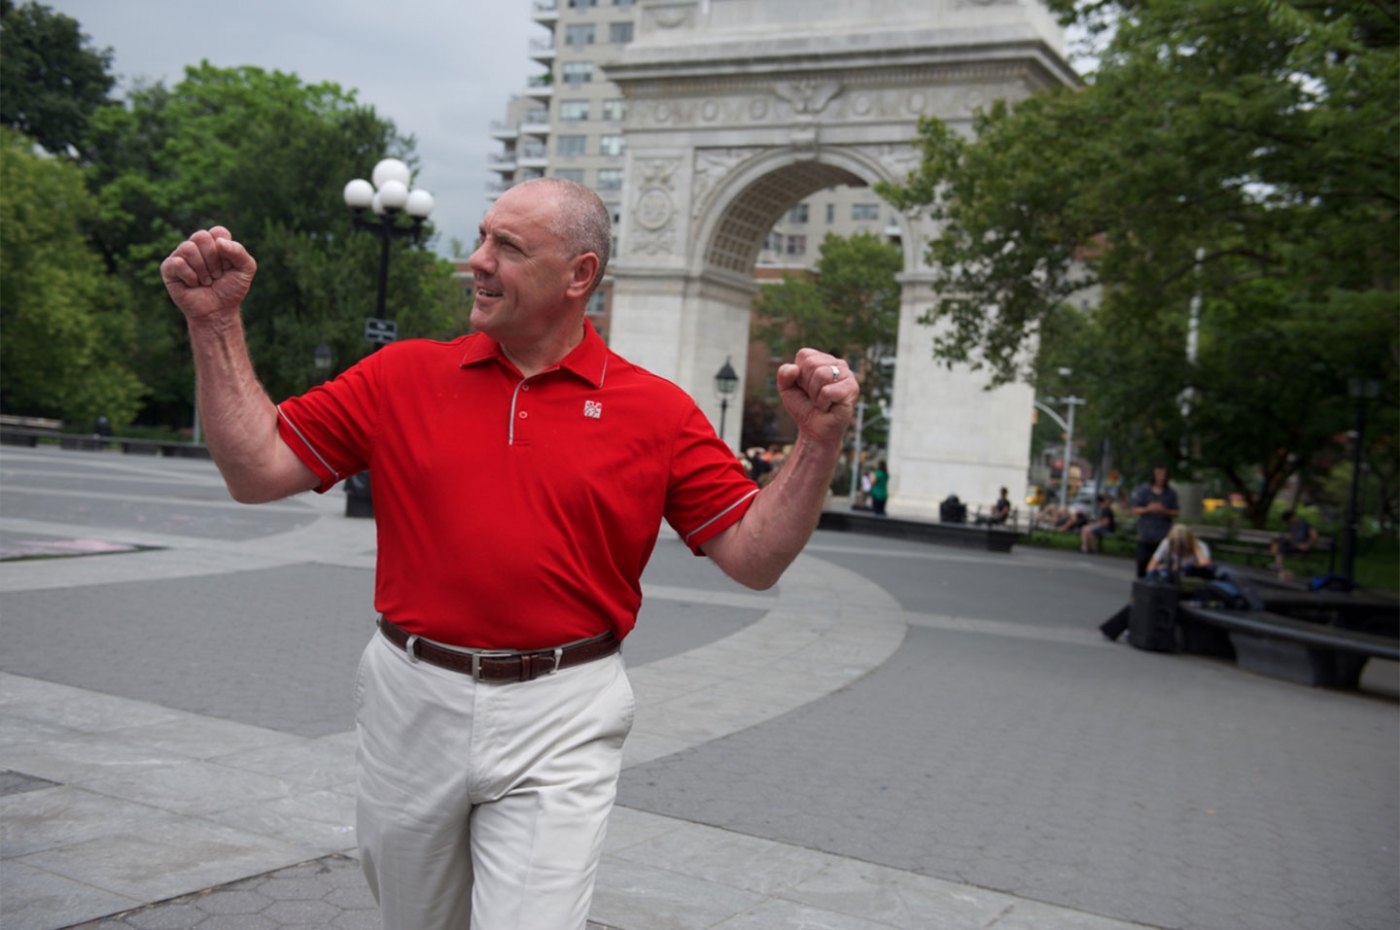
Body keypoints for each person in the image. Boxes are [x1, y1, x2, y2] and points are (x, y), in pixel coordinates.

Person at [159, 177, 859, 930]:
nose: (477, 261)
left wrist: (817, 443)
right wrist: (215, 323)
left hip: (564, 708)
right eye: (483, 237)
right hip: (409, 696)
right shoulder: (402, 375)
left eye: (509, 248)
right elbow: (256, 469)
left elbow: (754, 557)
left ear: (580, 276)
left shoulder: (655, 411)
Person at [1131, 464, 1179, 577]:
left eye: (1163, 474)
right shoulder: (1144, 491)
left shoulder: (1171, 493)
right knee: (1142, 562)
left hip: (1162, 534)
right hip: (1145, 534)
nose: (1160, 477)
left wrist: (1163, 510)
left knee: (1160, 565)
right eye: (1158, 474)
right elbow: (1136, 509)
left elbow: (1176, 512)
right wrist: (1148, 509)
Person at [1145, 524, 1212, 576]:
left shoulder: (1200, 545)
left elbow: (1205, 565)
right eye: (1176, 549)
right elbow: (1150, 568)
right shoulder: (1166, 543)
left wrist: (1196, 547)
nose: (1180, 552)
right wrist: (1166, 567)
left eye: (1183, 548)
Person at [1270, 509, 1318, 577]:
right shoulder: (1290, 526)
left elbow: (1314, 535)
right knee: (1280, 542)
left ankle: (1278, 566)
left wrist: (1307, 545)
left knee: (1281, 545)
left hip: (1302, 548)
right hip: (1293, 546)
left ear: (1292, 517)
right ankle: (1278, 566)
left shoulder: (1304, 523)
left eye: (1289, 521)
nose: (1288, 523)